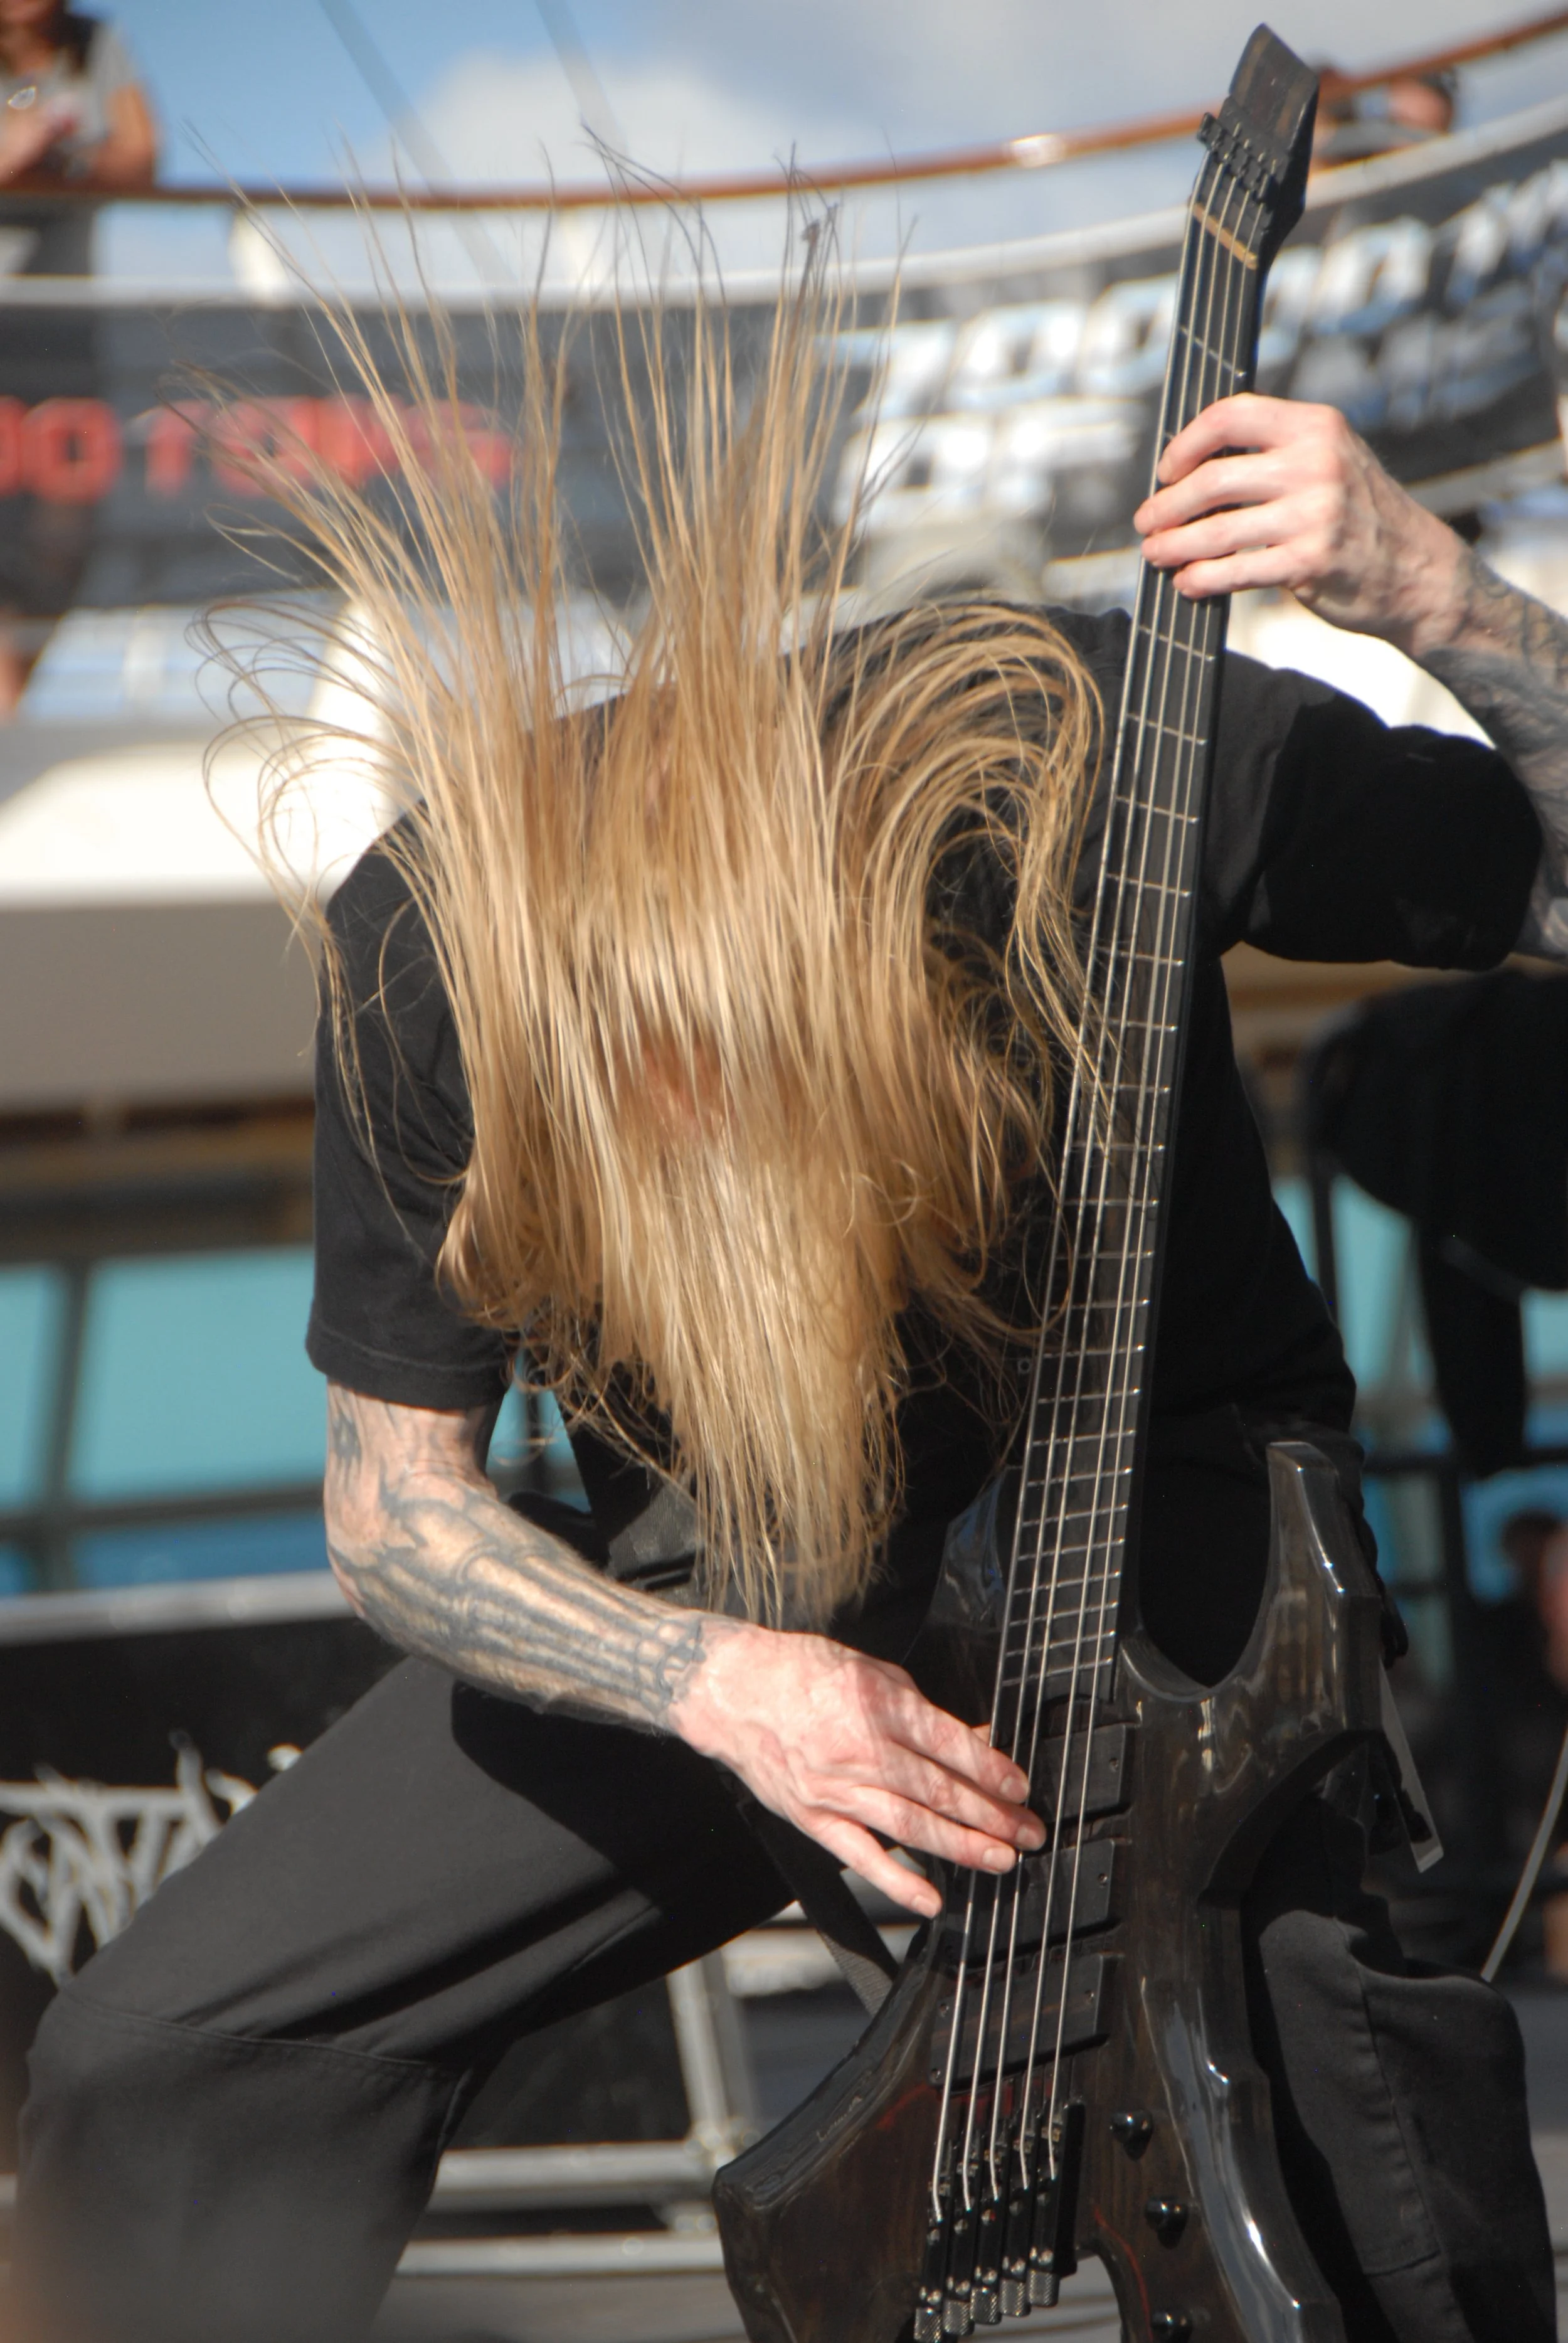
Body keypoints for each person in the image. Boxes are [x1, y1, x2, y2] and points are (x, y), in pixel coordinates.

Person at [14, 263, 1568, 2343]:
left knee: (1321, 2153)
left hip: (1145, 1491)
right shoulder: (429, 952)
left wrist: (1433, 593)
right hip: (737, 1575)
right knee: (167, 2055)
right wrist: (712, 1685)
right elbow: (392, 1505)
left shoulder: (1076, 749)